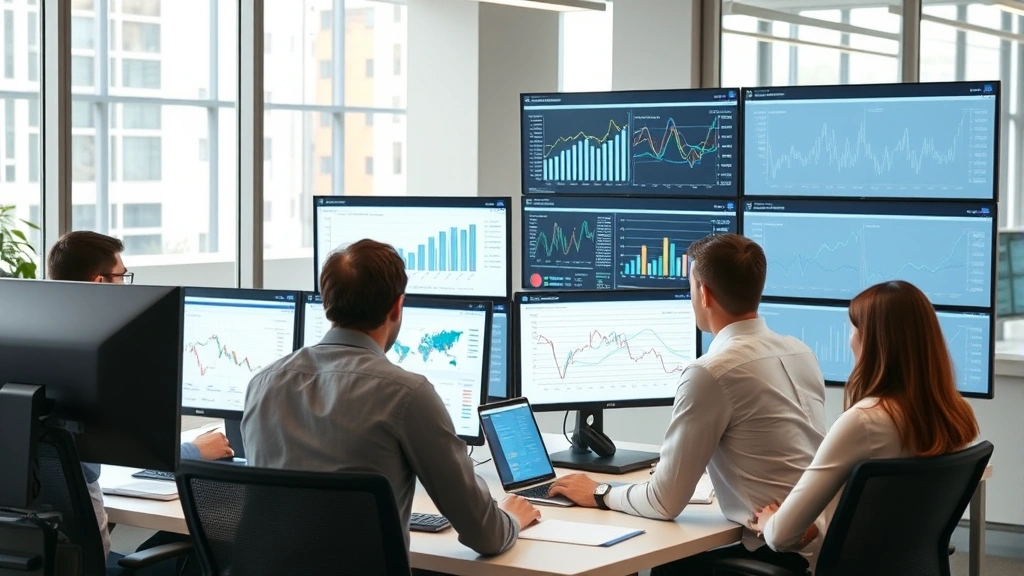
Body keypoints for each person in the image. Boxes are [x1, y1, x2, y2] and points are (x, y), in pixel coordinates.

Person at [548, 233, 827, 575]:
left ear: (704, 293)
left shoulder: (712, 372)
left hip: (776, 554)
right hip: (821, 547)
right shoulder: (801, 352)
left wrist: (599, 492)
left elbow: (664, 502)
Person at [241, 238, 539, 557]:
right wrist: (511, 519)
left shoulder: (262, 384)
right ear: (397, 306)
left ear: (327, 302)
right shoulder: (407, 395)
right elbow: (487, 535)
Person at [751, 281, 980, 573]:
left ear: (873, 343)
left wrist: (770, 521)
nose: (850, 341)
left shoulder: (863, 422)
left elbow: (781, 536)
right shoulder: (954, 415)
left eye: (853, 330)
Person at [46, 230, 232, 566]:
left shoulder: (45, 344)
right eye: (122, 275)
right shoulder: (95, 356)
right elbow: (137, 446)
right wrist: (196, 451)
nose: (125, 284)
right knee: (212, 537)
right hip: (88, 564)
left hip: (42, 556)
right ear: (100, 282)